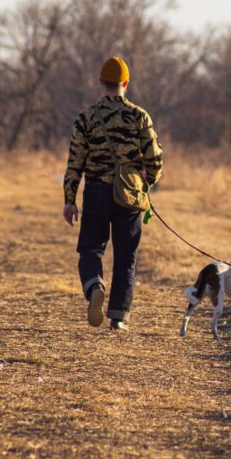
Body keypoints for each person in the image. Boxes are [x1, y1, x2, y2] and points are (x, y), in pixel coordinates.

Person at [62, 56, 163, 331]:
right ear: (126, 83)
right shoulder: (140, 116)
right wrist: (147, 184)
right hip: (129, 194)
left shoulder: (86, 117)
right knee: (126, 255)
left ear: (100, 83)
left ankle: (95, 284)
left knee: (90, 248)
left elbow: (75, 162)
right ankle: (118, 316)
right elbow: (154, 158)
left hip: (96, 190)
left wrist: (70, 199)